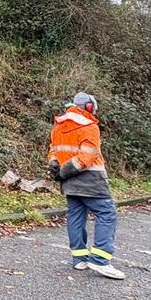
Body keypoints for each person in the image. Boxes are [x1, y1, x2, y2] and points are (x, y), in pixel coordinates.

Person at [48, 91, 124, 280]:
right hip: (91, 180)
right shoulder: (89, 126)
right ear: (89, 107)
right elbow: (87, 156)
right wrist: (67, 170)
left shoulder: (58, 126)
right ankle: (100, 260)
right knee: (106, 214)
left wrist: (58, 169)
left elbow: (53, 152)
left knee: (75, 215)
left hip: (68, 181)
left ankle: (79, 259)